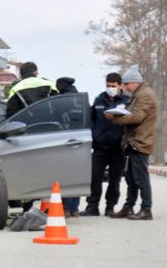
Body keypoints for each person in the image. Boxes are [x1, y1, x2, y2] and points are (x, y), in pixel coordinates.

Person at [105, 66, 158, 220]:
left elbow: (136, 117)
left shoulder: (145, 95)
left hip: (140, 142)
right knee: (130, 178)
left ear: (135, 82)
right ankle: (128, 207)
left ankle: (146, 209)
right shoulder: (138, 94)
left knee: (141, 177)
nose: (125, 87)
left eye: (127, 84)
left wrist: (115, 118)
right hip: (133, 142)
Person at [80, 73, 129, 217]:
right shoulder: (100, 98)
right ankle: (92, 206)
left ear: (120, 86)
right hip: (100, 146)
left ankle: (110, 207)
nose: (110, 88)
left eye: (113, 86)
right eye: (108, 85)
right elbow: (92, 118)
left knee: (115, 180)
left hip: (118, 147)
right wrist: (94, 134)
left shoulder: (127, 100)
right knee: (95, 178)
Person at [55, 76, 81, 216]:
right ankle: (74, 209)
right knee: (76, 175)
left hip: (65, 140)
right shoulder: (80, 99)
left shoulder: (62, 100)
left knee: (65, 176)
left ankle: (65, 208)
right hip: (81, 140)